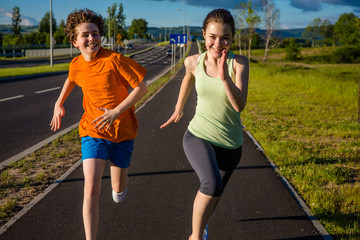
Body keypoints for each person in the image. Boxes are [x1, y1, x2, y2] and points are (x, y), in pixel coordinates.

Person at [50, 9, 147, 240]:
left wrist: (116, 111)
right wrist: (58, 102)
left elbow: (142, 87)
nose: (91, 38)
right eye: (85, 35)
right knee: (91, 189)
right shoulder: (76, 64)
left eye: (95, 33)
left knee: (117, 187)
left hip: (122, 131)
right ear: (75, 41)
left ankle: (120, 186)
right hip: (92, 131)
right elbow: (71, 78)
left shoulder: (114, 60)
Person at [160, 8, 249, 240]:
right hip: (198, 135)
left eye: (225, 38)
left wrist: (225, 77)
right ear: (204, 35)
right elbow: (189, 76)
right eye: (212, 36)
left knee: (216, 191)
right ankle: (196, 237)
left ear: (232, 38)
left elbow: (239, 106)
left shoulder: (239, 63)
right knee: (210, 183)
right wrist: (179, 108)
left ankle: (203, 225)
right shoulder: (193, 61)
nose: (218, 43)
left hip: (231, 144)